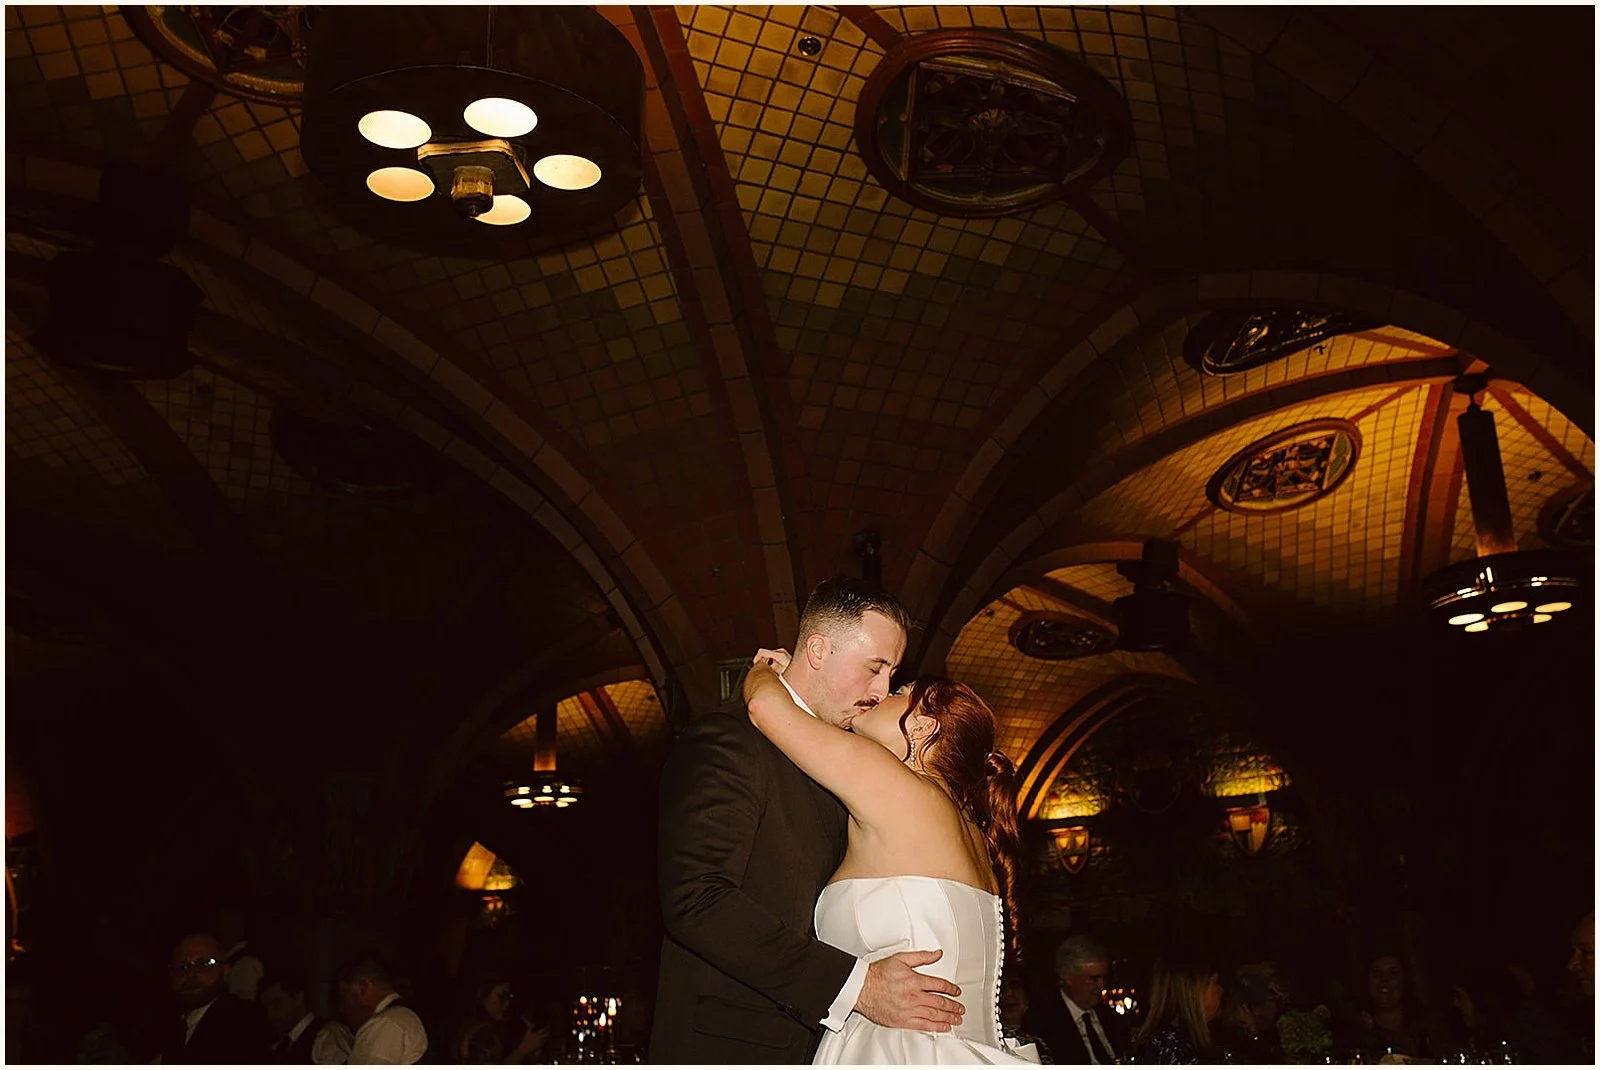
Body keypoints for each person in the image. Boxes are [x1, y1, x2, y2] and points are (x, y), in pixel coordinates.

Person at [650, 579, 969, 1063]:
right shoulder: (729, 740)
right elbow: (698, 899)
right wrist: (856, 987)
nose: (881, 690)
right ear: (818, 649)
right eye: (874, 667)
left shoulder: (846, 762)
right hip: (734, 1047)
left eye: (892, 673)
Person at [739, 645, 1036, 1063]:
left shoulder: (898, 787)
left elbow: (764, 707)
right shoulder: (967, 828)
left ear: (922, 726)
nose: (881, 694)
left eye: (900, 691)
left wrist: (768, 670)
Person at [161, 931, 271, 1063]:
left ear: (225, 971)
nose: (191, 974)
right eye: (182, 966)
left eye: (204, 964)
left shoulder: (242, 1021)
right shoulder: (169, 1025)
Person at [1021, 935, 1126, 1064]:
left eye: (1104, 978)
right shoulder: (1043, 1022)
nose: (1102, 986)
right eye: (1094, 978)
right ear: (1067, 977)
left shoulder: (1111, 1017)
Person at [1126, 952, 1222, 1065]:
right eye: (1214, 983)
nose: (1220, 990)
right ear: (1194, 992)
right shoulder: (1172, 1049)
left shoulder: (1181, 1043)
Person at [337, 954, 429, 1064]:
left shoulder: (386, 1024)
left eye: (344, 997)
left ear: (362, 988)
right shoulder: (404, 1018)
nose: (342, 1008)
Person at [449, 975, 549, 1064]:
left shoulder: (467, 1025)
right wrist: (522, 1050)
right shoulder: (482, 1033)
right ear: (483, 994)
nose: (507, 1004)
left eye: (509, 997)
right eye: (501, 996)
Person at [259, 972, 353, 1063]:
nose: (269, 1013)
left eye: (277, 1004)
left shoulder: (329, 1035)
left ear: (298, 999)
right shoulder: (278, 1046)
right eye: (265, 1008)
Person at [1214, 963, 1286, 1063]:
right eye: (1275, 1000)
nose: (1280, 1006)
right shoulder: (1229, 1040)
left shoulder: (1270, 1034)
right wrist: (1253, 1036)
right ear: (1254, 1006)